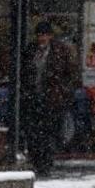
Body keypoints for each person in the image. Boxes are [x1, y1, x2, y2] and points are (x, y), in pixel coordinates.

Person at [20, 20, 79, 177]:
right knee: (34, 132)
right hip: (33, 97)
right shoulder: (30, 51)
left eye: (45, 35)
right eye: (39, 35)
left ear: (50, 36)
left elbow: (71, 75)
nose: (42, 38)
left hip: (52, 99)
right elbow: (24, 72)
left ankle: (45, 162)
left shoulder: (60, 51)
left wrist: (63, 92)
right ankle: (37, 160)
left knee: (49, 132)